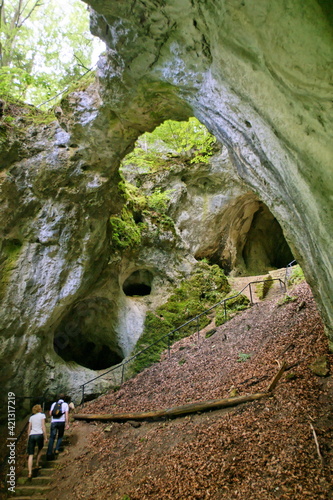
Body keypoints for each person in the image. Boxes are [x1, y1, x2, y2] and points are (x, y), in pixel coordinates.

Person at [27, 404, 48, 479]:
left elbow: (29, 428)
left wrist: (28, 437)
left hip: (32, 435)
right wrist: (45, 437)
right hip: (39, 434)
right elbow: (43, 426)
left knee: (30, 454)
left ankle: (29, 472)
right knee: (40, 449)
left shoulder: (31, 417)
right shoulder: (42, 415)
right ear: (39, 409)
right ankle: (37, 463)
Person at [46, 394, 69, 459]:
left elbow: (50, 413)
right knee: (60, 436)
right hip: (61, 422)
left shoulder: (54, 404)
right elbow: (66, 415)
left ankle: (49, 452)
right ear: (64, 398)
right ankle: (56, 449)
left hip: (54, 422)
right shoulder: (65, 404)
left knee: (52, 437)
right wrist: (67, 424)